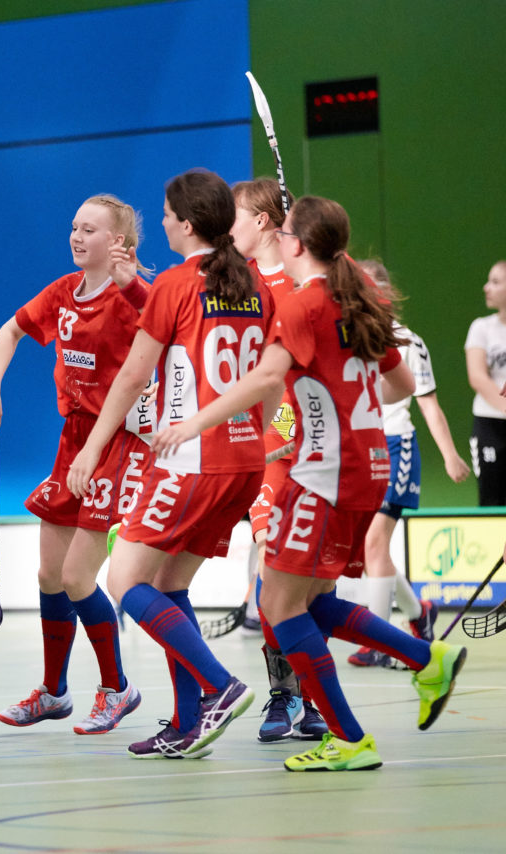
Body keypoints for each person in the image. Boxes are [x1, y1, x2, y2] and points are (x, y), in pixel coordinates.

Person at [151, 195, 469, 771]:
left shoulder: (301, 306)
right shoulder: (360, 299)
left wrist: (191, 423)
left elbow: (266, 378)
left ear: (291, 243)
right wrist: (334, 395)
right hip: (368, 464)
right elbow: (396, 385)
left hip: (323, 472)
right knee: (312, 601)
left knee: (277, 604)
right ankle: (426, 658)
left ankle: (348, 738)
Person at [69, 169, 272, 759]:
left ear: (186, 224)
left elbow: (134, 376)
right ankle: (188, 723)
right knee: (169, 581)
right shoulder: (255, 281)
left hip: (192, 458)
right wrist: (281, 442)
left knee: (123, 579)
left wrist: (91, 446)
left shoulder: (179, 283)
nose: (160, 222)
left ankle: (221, 685)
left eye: (165, 215)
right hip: (247, 461)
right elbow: (274, 379)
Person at [0, 194, 150, 735]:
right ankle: (54, 691)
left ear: (118, 242)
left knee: (78, 577)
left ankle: (117, 687)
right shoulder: (62, 293)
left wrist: (134, 285)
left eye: (90, 230)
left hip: (117, 441)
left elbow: (166, 328)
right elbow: (9, 330)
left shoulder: (134, 298)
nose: (77, 237)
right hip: (72, 439)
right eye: (74, 227)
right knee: (49, 573)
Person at [230, 178, 329, 744]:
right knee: (274, 573)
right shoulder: (240, 283)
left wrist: (286, 432)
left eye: (238, 217)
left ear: (266, 222)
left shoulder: (301, 281)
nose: (229, 229)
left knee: (302, 582)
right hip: (257, 447)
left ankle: (306, 696)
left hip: (304, 445)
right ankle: (286, 693)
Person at [350, 259, 471, 666]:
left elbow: (430, 405)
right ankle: (421, 612)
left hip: (395, 447)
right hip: (357, 452)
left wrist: (450, 455)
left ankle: (377, 641)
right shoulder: (347, 336)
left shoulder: (407, 341)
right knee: (370, 549)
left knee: (373, 544)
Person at [464, 260, 506, 505]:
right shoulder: (481, 328)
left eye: (496, 282)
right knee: (492, 501)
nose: (486, 287)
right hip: (490, 425)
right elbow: (477, 376)